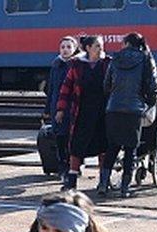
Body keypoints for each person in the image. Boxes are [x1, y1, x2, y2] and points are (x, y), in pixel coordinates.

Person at [102, 32, 157, 198]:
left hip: (113, 109)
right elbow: (153, 85)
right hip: (134, 111)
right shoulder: (146, 58)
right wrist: (150, 103)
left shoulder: (116, 58)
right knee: (130, 149)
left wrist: (113, 98)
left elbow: (106, 84)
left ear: (126, 43)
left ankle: (103, 184)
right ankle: (124, 188)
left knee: (112, 147)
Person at [56, 35, 111, 192]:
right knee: (76, 146)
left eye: (101, 46)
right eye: (98, 46)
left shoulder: (107, 64)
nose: (101, 49)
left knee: (103, 145)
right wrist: (60, 109)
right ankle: (71, 181)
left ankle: (103, 181)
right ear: (88, 48)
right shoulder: (77, 66)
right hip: (82, 112)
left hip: (102, 112)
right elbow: (66, 88)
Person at [44, 36, 78, 185]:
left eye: (68, 47)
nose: (65, 50)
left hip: (73, 108)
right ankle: (63, 167)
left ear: (74, 49)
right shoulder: (56, 65)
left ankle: (74, 166)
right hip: (56, 108)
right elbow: (51, 89)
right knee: (60, 138)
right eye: (63, 47)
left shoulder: (77, 65)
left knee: (73, 139)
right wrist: (47, 109)